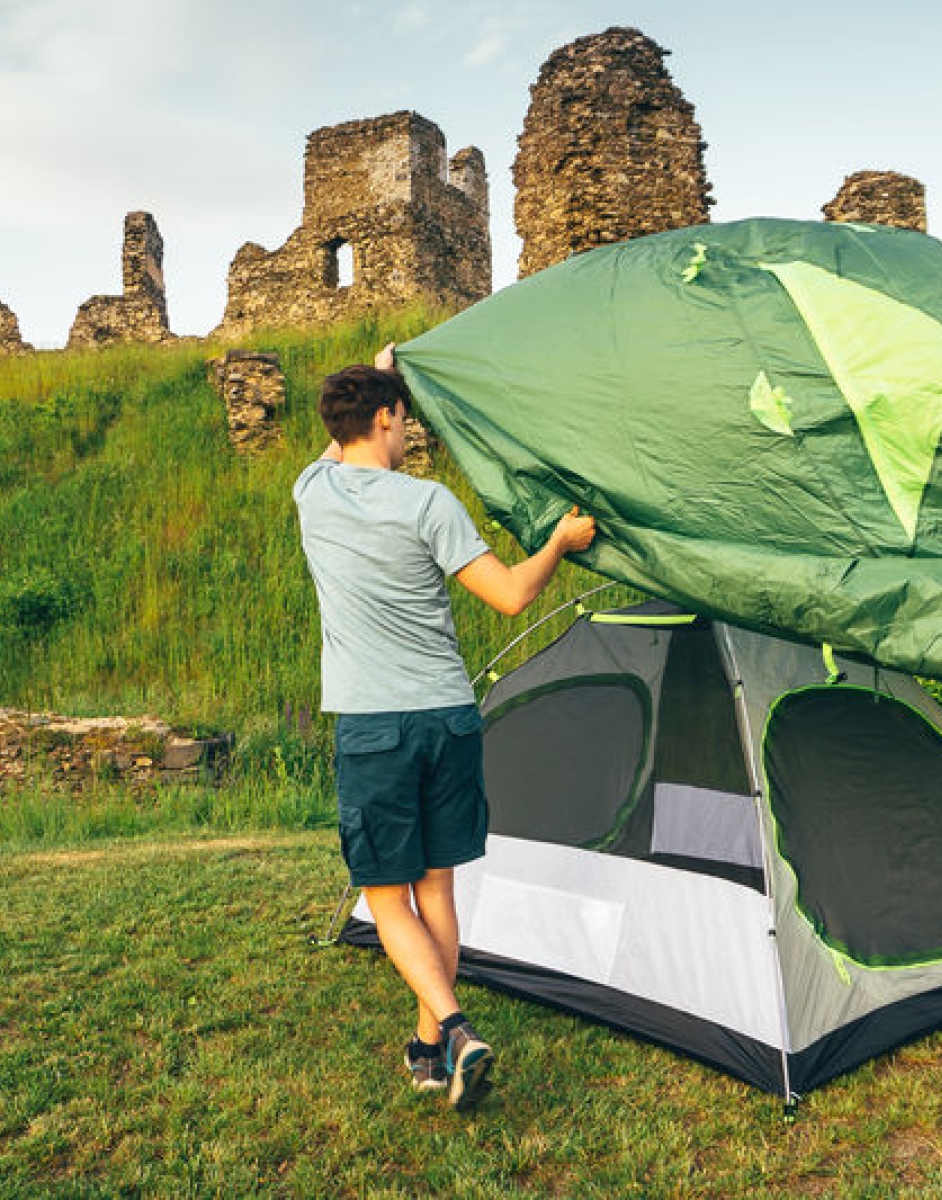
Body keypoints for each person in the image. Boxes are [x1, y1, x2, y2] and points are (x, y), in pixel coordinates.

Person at [294, 345, 596, 1109]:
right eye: (403, 420)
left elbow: (338, 444)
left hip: (374, 728)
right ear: (385, 419)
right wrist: (558, 544)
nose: (408, 433)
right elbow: (510, 596)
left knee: (383, 896)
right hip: (447, 720)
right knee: (435, 891)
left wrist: (377, 379)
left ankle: (457, 1031)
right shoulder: (429, 503)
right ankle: (429, 1049)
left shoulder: (312, 491)